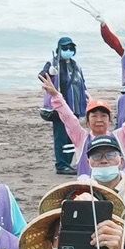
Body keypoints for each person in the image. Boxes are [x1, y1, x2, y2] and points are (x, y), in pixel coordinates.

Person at [40, 35, 89, 175]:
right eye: (65, 48)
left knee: (72, 136)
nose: (68, 50)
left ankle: (69, 163)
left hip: (74, 108)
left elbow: (82, 85)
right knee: (61, 136)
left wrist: (84, 104)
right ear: (59, 49)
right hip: (60, 108)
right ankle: (61, 164)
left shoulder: (76, 65)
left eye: (70, 48)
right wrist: (50, 72)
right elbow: (42, 76)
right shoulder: (53, 63)